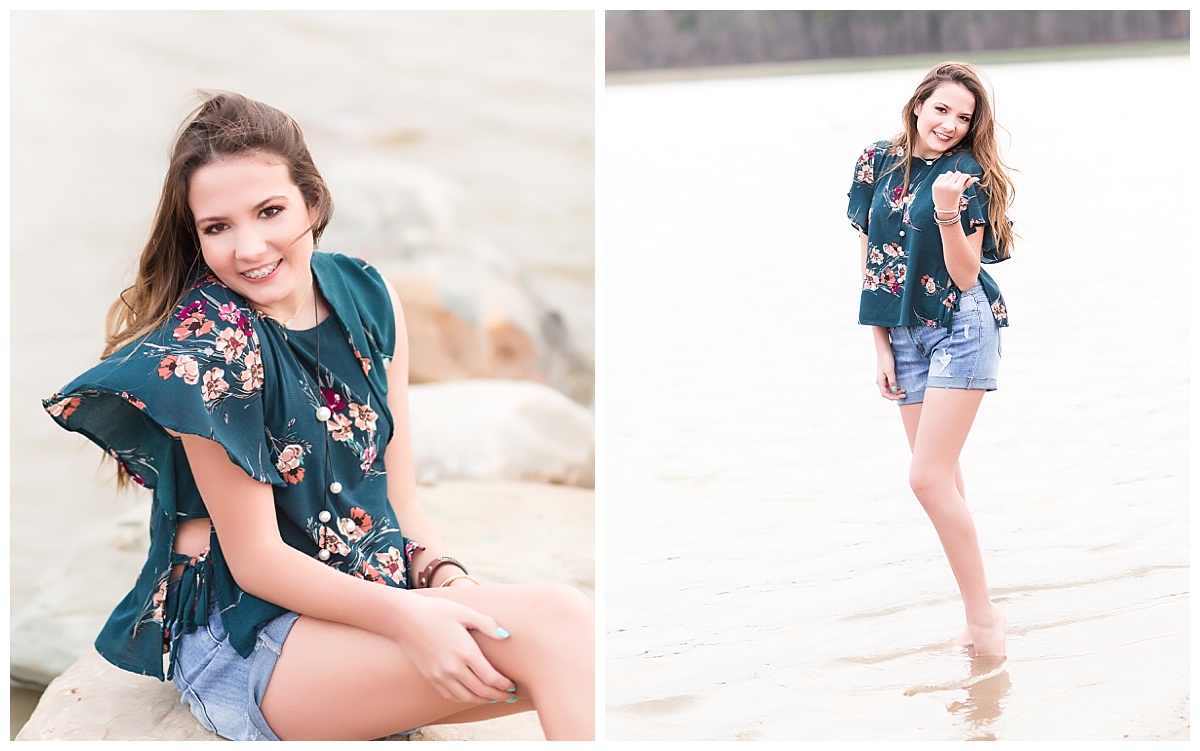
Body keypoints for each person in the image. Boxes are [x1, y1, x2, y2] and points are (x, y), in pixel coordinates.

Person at [43, 91, 594, 741]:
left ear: (314, 201)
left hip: (360, 592)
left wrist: (447, 581)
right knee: (559, 629)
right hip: (252, 637)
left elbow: (400, 497)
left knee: (570, 633)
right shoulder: (213, 343)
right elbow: (257, 563)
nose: (249, 247)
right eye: (217, 227)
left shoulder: (367, 294)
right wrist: (413, 619)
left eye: (270, 211)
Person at [846, 62, 1015, 658]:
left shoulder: (967, 175)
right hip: (903, 332)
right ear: (918, 105)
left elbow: (966, 274)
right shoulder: (875, 160)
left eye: (964, 117)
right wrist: (880, 344)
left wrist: (946, 211)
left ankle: (986, 621)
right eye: (941, 109)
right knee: (945, 484)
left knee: (925, 478)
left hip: (960, 327)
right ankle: (976, 620)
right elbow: (872, 254)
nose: (950, 124)